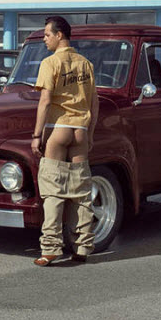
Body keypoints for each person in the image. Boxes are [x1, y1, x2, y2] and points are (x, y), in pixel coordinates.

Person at [30, 16, 99, 266]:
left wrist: (37, 135)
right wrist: (90, 134)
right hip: (80, 129)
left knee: (53, 192)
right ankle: (83, 247)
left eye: (47, 34)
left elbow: (45, 101)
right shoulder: (85, 64)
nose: (45, 39)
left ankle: (50, 249)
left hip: (58, 130)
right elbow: (94, 102)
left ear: (60, 35)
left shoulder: (50, 63)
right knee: (81, 193)